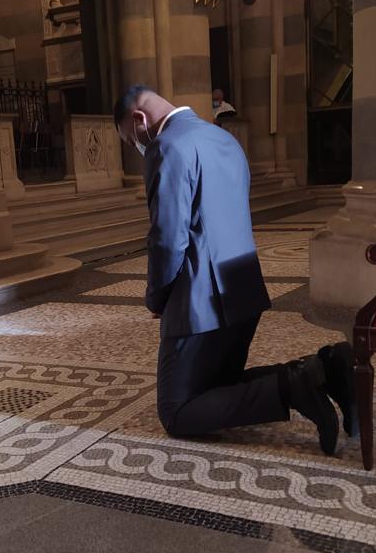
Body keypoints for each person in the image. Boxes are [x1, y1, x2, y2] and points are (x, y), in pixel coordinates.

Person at [113, 85, 356, 455]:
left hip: (199, 304)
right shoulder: (223, 139)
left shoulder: (167, 146)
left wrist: (157, 299)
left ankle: (296, 385)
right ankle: (326, 368)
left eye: (131, 139)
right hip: (242, 291)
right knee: (216, 386)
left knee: (177, 411)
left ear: (139, 119)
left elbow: (167, 238)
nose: (137, 146)